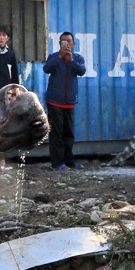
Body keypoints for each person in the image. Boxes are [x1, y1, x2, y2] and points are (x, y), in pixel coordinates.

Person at [43, 31, 86, 170]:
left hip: (69, 102)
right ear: (60, 43)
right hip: (55, 101)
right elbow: (46, 68)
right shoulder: (54, 57)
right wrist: (60, 57)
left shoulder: (78, 58)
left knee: (69, 134)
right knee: (56, 134)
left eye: (69, 41)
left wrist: (71, 60)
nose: (67, 43)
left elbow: (81, 71)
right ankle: (57, 163)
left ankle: (69, 161)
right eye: (64, 41)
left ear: (73, 43)